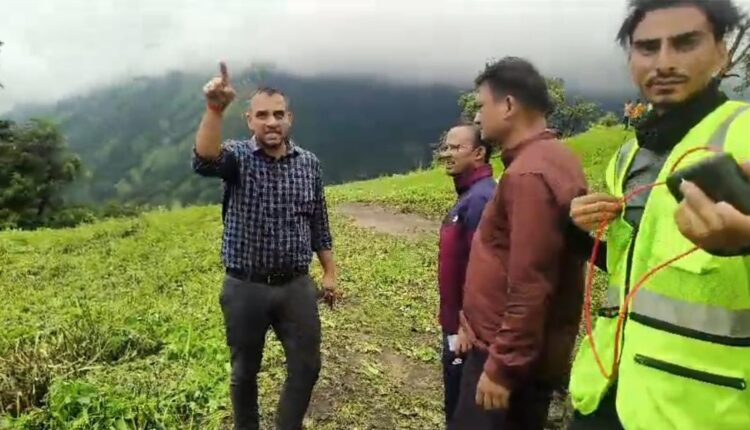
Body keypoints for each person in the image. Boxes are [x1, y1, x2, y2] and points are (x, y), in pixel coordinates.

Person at [566, 1, 750, 429]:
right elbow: (632, 266)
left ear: (722, 52)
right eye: (648, 48)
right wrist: (578, 230)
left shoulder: (744, 135)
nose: (663, 62)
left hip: (704, 410)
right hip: (608, 390)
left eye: (685, 43)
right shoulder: (629, 154)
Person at [191, 63, 339, 430]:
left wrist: (330, 272)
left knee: (307, 366)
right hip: (245, 286)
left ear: (290, 118)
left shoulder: (309, 164)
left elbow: (318, 222)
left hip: (296, 285)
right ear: (249, 120)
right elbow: (205, 159)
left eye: (278, 114)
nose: (271, 122)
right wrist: (214, 109)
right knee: (244, 371)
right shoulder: (238, 158)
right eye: (262, 115)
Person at [450, 57, 588, 430]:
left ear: (508, 105)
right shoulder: (555, 158)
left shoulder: (528, 175)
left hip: (504, 360)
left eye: (481, 105)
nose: (477, 117)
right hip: (510, 348)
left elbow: (531, 281)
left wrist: (502, 368)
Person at [437, 123, 496, 425]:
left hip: (467, 333)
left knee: (463, 411)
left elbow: (484, 269)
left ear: (478, 153)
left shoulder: (481, 200)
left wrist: (466, 325)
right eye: (446, 147)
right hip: (455, 324)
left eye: (456, 148)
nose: (447, 154)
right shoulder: (469, 195)